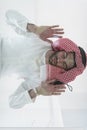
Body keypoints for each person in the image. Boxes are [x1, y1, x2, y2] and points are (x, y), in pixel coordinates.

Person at [1, 10, 86, 109]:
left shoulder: (40, 80)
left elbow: (13, 103)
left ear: (63, 71)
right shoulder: (41, 39)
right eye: (64, 56)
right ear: (63, 49)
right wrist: (34, 29)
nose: (59, 61)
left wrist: (37, 91)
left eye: (64, 65)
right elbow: (8, 15)